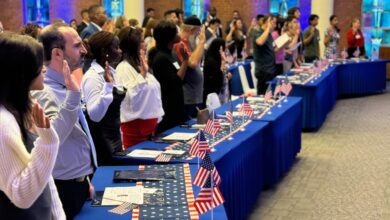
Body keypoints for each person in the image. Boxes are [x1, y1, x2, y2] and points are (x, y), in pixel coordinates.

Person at [31, 24, 96, 219]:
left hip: (78, 181)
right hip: (63, 187)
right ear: (58, 54)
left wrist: (84, 180)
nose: (84, 50)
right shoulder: (42, 90)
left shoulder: (64, 83)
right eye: (77, 46)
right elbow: (52, 137)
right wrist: (73, 97)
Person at [0, 32, 65, 220]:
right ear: (21, 73)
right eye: (38, 65)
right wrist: (47, 143)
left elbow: (46, 181)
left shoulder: (20, 107)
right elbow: (21, 195)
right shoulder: (3, 123)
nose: (44, 69)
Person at [116, 27, 164, 148]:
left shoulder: (140, 65)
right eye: (142, 41)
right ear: (133, 45)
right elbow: (127, 98)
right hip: (135, 130)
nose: (145, 44)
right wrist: (142, 75)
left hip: (150, 128)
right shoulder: (123, 68)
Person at [81, 31, 125, 165]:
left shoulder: (110, 71)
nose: (120, 51)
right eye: (116, 47)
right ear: (104, 51)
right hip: (102, 141)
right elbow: (94, 115)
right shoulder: (92, 77)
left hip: (116, 136)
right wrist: (107, 86)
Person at [150, 20, 189, 133]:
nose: (179, 35)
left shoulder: (169, 54)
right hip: (168, 109)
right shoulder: (161, 58)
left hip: (176, 106)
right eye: (176, 33)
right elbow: (176, 82)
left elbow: (181, 78)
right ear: (169, 37)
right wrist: (185, 60)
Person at [173, 16, 206, 119]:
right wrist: (201, 43)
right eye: (197, 33)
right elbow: (193, 62)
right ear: (191, 30)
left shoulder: (189, 43)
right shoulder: (180, 44)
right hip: (188, 97)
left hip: (195, 96)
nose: (198, 36)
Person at [253, 15, 280, 94]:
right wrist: (268, 28)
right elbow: (260, 42)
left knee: (269, 95)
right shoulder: (258, 31)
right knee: (262, 96)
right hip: (263, 71)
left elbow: (272, 50)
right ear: (267, 22)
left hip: (270, 69)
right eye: (273, 23)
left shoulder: (269, 34)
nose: (274, 26)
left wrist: (283, 45)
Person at [203, 38, 229, 103]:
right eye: (224, 47)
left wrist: (227, 74)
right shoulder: (211, 61)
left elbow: (223, 73)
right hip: (213, 94)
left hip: (221, 91)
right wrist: (223, 61)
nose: (225, 49)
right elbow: (217, 76)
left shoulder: (217, 58)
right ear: (219, 48)